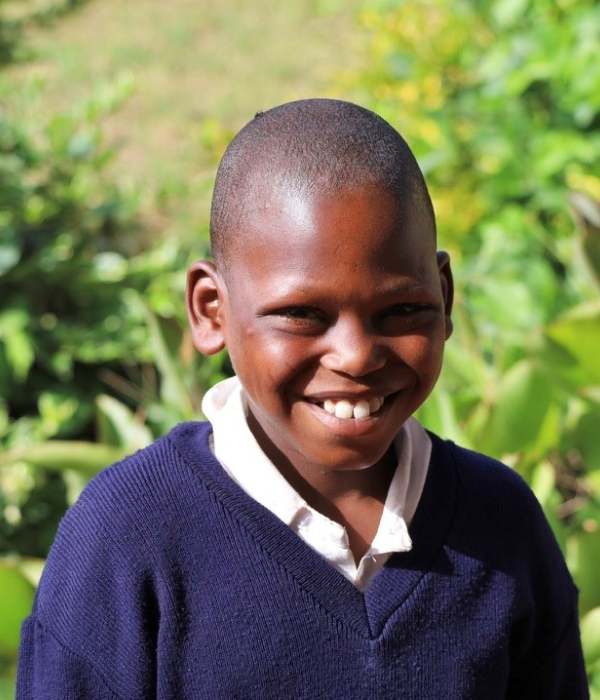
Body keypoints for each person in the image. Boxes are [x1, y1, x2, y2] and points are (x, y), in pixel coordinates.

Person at [16, 99, 589, 699]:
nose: (357, 355)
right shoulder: (127, 536)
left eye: (400, 310)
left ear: (443, 297)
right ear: (212, 310)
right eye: (301, 315)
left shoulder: (500, 522)